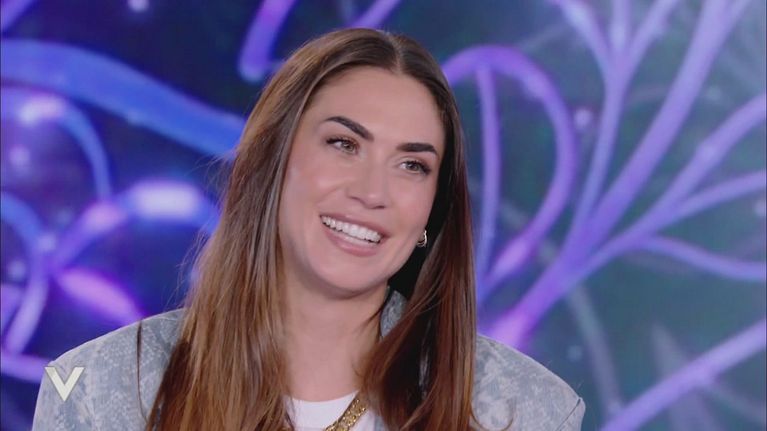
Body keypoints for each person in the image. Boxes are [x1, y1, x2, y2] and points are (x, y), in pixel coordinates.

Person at [32, 28, 584, 430]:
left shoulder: (523, 411)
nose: (372, 191)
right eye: (344, 144)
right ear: (272, 162)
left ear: (432, 212)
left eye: (412, 165)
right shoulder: (99, 392)